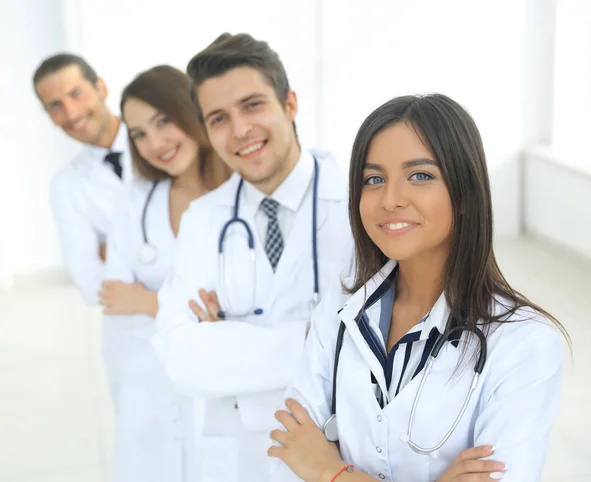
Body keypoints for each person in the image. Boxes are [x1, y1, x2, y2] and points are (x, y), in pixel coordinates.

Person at [269, 94, 567, 482]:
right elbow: (283, 463)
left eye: (420, 176)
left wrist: (330, 471)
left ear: (464, 192)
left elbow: (308, 464)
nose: (390, 200)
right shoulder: (339, 314)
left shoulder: (524, 343)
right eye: (374, 179)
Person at [153, 33, 354, 482]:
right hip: (238, 460)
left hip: (339, 454)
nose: (240, 130)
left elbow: (384, 345)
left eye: (253, 105)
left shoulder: (357, 201)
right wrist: (317, 338)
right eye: (218, 118)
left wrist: (226, 338)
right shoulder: (203, 220)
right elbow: (177, 358)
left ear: (290, 104)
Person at [98, 65, 232, 482]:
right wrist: (195, 311)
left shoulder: (240, 192)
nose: (155, 143)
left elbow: (245, 309)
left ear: (189, 111)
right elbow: (115, 298)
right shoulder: (136, 199)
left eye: (162, 121)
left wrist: (149, 300)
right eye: (139, 133)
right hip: (149, 383)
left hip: (227, 383)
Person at [33, 53, 131, 305]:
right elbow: (91, 284)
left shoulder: (164, 142)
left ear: (101, 87)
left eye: (76, 94)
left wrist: (114, 250)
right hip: (137, 331)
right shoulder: (65, 186)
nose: (71, 113)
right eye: (55, 105)